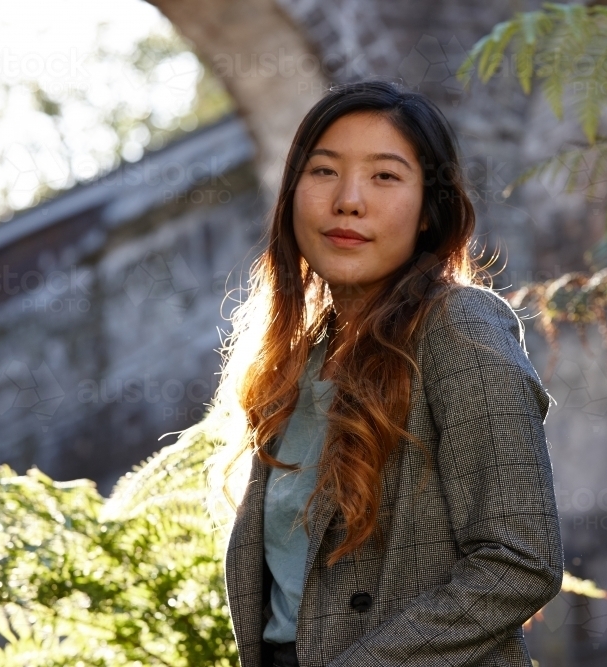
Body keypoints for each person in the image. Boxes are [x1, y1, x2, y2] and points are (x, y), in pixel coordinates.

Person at [201, 79, 562, 667]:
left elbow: (519, 560)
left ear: (429, 211)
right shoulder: (299, 356)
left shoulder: (457, 327)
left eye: (385, 176)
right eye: (323, 172)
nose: (348, 200)